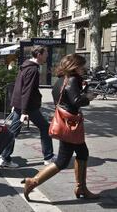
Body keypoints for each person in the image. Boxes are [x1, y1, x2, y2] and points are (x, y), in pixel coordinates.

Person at [22, 54, 99, 201]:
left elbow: (64, 98)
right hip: (70, 125)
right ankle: (32, 182)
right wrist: (88, 97)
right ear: (75, 67)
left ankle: (81, 188)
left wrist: (82, 88)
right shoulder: (72, 80)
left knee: (82, 153)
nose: (85, 68)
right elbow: (76, 101)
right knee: (62, 161)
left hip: (66, 123)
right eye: (82, 66)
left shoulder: (61, 80)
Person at [0, 46, 55, 168]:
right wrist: (24, 111)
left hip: (21, 105)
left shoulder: (25, 66)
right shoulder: (33, 70)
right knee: (45, 128)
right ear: (39, 54)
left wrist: (15, 105)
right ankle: (48, 157)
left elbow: (18, 86)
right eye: (45, 54)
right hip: (28, 107)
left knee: (13, 132)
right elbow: (27, 90)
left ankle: (4, 158)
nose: (47, 56)